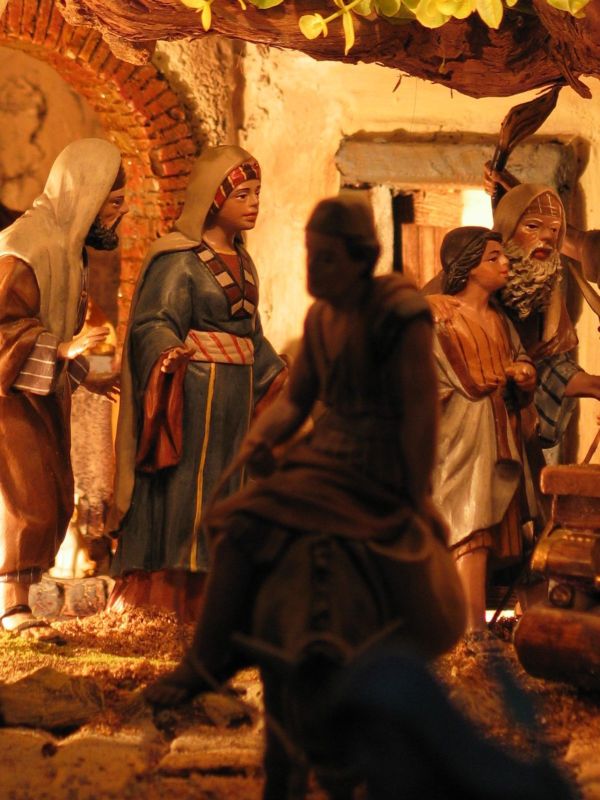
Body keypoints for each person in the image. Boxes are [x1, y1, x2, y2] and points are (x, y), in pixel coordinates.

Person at [145, 195, 465, 707]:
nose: (314, 269)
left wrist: (413, 491)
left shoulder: (397, 316)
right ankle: (211, 657)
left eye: (328, 258)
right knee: (237, 522)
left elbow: (420, 412)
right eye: (311, 255)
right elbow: (296, 401)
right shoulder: (321, 319)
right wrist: (261, 437)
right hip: (328, 455)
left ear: (362, 258)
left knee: (311, 536)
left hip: (377, 465)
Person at [108, 145, 286, 621]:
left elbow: (252, 335)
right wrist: (168, 351)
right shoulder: (179, 260)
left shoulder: (244, 261)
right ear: (213, 198)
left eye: (257, 193)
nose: (254, 203)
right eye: (243, 194)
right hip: (190, 399)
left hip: (235, 401)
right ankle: (169, 601)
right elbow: (152, 322)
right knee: (186, 492)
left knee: (230, 491)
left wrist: (278, 371)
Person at [0, 138, 126, 641]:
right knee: (24, 496)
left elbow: (56, 335)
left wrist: (87, 372)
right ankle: (11, 607)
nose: (119, 215)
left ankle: (23, 601)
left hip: (39, 397)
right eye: (114, 203)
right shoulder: (26, 247)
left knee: (51, 494)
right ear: (86, 194)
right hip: (9, 402)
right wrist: (63, 349)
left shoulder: (69, 250)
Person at [429, 227, 537, 635]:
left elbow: (520, 356)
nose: (506, 263)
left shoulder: (499, 319)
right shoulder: (440, 316)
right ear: (469, 267)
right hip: (459, 438)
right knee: (467, 530)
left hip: (498, 433)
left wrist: (524, 374)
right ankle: (467, 633)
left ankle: (477, 629)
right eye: (494, 257)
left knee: (491, 533)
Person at [483, 170, 600, 449]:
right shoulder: (478, 286)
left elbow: (547, 365)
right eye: (532, 226)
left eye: (554, 231)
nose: (547, 238)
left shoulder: (543, 294)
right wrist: (517, 193)